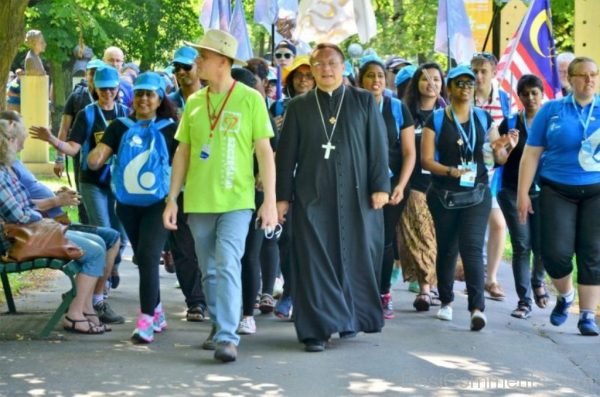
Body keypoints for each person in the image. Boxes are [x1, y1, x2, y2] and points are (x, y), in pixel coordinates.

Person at [163, 29, 277, 363]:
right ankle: (219, 323)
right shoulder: (195, 103)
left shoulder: (250, 99)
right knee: (209, 270)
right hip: (199, 201)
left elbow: (265, 153)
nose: (197, 63)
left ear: (222, 63)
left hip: (237, 201)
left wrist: (269, 200)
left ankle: (228, 336)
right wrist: (172, 198)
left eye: (203, 57)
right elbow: (183, 153)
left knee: (227, 262)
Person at [276, 43, 390, 352]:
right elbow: (286, 155)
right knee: (314, 259)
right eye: (319, 65)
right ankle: (316, 329)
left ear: (343, 68)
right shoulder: (298, 107)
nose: (326, 69)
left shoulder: (363, 101)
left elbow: (378, 147)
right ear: (311, 70)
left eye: (332, 64)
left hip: (356, 195)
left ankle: (349, 317)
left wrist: (381, 186)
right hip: (312, 195)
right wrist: (281, 197)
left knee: (353, 256)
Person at [30, 65, 129, 320]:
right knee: (106, 232)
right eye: (103, 88)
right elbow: (74, 148)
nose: (108, 93)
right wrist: (53, 141)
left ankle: (106, 275)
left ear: (118, 89)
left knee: (122, 237)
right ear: (95, 88)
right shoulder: (87, 114)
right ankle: (99, 297)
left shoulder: (124, 113)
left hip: (119, 184)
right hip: (93, 182)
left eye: (112, 88)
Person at [88, 72, 179, 343]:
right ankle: (158, 311)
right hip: (127, 205)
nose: (143, 99)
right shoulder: (119, 126)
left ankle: (145, 321)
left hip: (158, 203)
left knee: (149, 257)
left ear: (160, 98)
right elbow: (96, 161)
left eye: (149, 94)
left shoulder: (171, 128)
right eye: (139, 93)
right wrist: (95, 154)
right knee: (144, 258)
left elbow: (185, 165)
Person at [0, 120, 108, 335]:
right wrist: (45, 211)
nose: (20, 147)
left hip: (30, 231)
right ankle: (75, 315)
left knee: (99, 242)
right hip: (17, 240)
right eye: (18, 142)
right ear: (8, 141)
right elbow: (20, 215)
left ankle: (84, 309)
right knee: (95, 251)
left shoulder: (5, 169)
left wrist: (41, 211)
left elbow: (23, 208)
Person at [517, 56, 600, 336]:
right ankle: (565, 297)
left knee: (592, 252)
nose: (589, 80)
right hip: (556, 189)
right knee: (555, 253)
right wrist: (523, 194)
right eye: (583, 75)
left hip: (596, 191)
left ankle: (587, 316)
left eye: (594, 75)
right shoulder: (551, 110)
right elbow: (531, 154)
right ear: (571, 79)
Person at [421, 65, 494, 331]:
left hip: (477, 192)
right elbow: (426, 160)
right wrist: (452, 171)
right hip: (445, 194)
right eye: (459, 83)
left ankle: (477, 308)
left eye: (470, 83)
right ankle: (446, 300)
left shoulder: (484, 120)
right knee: (448, 247)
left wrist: (503, 148)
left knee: (472, 247)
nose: (465, 88)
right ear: (449, 88)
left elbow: (495, 156)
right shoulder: (438, 120)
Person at [358, 55, 416, 319]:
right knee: (360, 238)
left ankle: (383, 292)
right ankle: (359, 293)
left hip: (392, 185)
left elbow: (409, 152)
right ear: (361, 80)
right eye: (370, 75)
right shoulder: (353, 105)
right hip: (359, 184)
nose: (376, 80)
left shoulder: (397, 108)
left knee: (385, 241)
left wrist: (401, 185)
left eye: (380, 76)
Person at [231, 67, 279, 335]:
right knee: (227, 259)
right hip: (224, 193)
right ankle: (226, 312)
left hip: (254, 194)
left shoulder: (261, 114)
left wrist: (269, 197)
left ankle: (247, 313)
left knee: (250, 254)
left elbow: (274, 152)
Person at [495, 75, 547, 319]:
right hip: (512, 191)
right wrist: (508, 146)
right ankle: (524, 300)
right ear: (519, 96)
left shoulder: (550, 122)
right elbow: (499, 160)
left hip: (545, 192)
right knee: (521, 245)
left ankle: (538, 281)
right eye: (525, 94)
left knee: (543, 244)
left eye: (534, 92)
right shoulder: (511, 123)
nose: (530, 98)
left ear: (542, 93)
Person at [269, 55, 316, 320]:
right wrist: (277, 131)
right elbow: (267, 145)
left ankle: (308, 296)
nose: (304, 80)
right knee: (285, 239)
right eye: (299, 75)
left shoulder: (323, 107)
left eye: (309, 75)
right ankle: (288, 291)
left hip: (314, 183)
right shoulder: (278, 106)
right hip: (285, 182)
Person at [400, 62, 448, 311]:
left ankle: (440, 285)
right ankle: (425, 290)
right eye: (425, 79)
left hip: (444, 186)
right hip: (415, 184)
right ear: (416, 84)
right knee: (421, 236)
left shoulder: (449, 115)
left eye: (436, 80)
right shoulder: (405, 112)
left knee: (441, 238)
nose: (431, 84)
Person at [166, 46, 208, 322]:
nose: (181, 73)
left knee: (207, 244)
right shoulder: (166, 103)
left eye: (186, 67)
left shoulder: (213, 98)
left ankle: (214, 296)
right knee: (183, 247)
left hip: (208, 182)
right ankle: (195, 301)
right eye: (176, 68)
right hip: (177, 184)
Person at [471, 52, 513, 301]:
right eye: (474, 70)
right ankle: (470, 275)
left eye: (483, 71)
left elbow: (511, 137)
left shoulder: (506, 102)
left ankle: (491, 278)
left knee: (497, 224)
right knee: (469, 227)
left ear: (493, 73)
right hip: (465, 171)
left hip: (493, 173)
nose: (478, 76)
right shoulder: (462, 93)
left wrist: (505, 147)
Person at [54, 59, 105, 226]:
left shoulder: (112, 97)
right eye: (92, 73)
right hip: (80, 155)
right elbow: (64, 129)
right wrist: (59, 158)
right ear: (86, 74)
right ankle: (87, 229)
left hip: (106, 156)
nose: (95, 76)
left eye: (99, 73)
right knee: (83, 195)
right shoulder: (76, 97)